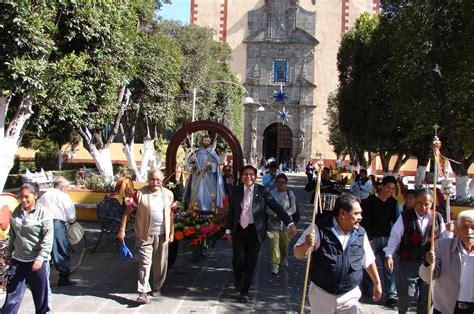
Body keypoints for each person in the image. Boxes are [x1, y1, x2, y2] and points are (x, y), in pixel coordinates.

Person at [294, 193, 382, 313]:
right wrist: (306, 245)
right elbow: (297, 254)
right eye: (356, 213)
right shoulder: (318, 229)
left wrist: (377, 283)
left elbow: (369, 260)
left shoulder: (361, 234)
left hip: (349, 295)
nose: (360, 217)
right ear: (342, 213)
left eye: (360, 213)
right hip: (322, 295)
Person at [225, 165, 297, 303]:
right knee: (238, 260)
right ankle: (238, 277)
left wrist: (289, 223)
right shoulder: (236, 191)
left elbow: (277, 207)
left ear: (255, 176)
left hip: (255, 232)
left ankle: (245, 291)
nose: (248, 177)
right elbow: (232, 212)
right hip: (239, 230)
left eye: (251, 174)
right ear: (242, 176)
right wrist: (228, 231)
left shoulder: (262, 191)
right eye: (245, 174)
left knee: (251, 262)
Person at [383, 189, 454, 314]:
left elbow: (444, 240)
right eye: (420, 203)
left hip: (429, 263)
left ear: (432, 204)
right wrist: (389, 254)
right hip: (409, 262)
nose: (423, 207)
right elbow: (395, 236)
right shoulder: (405, 216)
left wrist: (449, 231)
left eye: (427, 204)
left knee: (427, 298)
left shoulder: (437, 217)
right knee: (407, 295)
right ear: (416, 201)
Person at [117, 169, 175, 304]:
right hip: (145, 234)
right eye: (152, 179)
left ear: (162, 181)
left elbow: (171, 214)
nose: (155, 182)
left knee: (161, 263)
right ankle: (143, 291)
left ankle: (156, 287)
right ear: (148, 179)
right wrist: (122, 230)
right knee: (145, 262)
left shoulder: (168, 194)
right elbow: (126, 212)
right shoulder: (139, 194)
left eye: (158, 180)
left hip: (162, 234)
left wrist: (171, 232)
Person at [2, 183, 53, 313]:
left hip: (37, 261)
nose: (23, 200)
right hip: (18, 260)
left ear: (35, 196)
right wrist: (8, 253)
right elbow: (13, 234)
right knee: (12, 295)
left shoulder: (44, 213)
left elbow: (48, 239)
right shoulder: (17, 211)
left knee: (41, 298)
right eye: (21, 197)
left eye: (27, 196)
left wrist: (40, 258)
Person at [419, 210, 474, 314]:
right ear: (458, 228)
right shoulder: (443, 246)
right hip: (446, 308)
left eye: (473, 228)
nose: (469, 232)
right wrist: (427, 262)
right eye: (465, 227)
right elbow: (426, 277)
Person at [360, 175, 398, 307]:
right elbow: (365, 221)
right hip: (372, 239)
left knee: (389, 267)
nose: (390, 191)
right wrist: (367, 237)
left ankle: (391, 294)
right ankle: (367, 288)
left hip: (387, 239)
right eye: (388, 187)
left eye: (393, 189)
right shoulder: (370, 201)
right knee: (368, 265)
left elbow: (395, 221)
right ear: (382, 186)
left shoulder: (393, 203)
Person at [37, 177, 77, 287]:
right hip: (57, 224)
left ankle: (41, 276)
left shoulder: (44, 195)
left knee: (45, 249)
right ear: (62, 187)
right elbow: (71, 214)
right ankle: (63, 277)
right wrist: (72, 223)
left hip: (43, 224)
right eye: (67, 187)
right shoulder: (63, 196)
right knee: (60, 250)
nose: (68, 189)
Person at [183, 135, 225, 212]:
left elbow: (217, 164)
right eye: (204, 140)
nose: (206, 142)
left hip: (208, 178)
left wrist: (209, 165)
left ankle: (208, 210)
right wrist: (195, 166)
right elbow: (190, 163)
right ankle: (195, 211)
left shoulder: (212, 153)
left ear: (210, 142)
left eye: (208, 141)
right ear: (202, 141)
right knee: (196, 193)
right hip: (197, 177)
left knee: (207, 195)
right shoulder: (197, 152)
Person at [267, 173, 297, 275]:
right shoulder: (271, 193)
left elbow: (293, 208)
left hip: (286, 225)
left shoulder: (290, 193)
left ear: (286, 183)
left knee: (284, 245)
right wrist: (275, 215)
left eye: (283, 182)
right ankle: (275, 265)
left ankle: (284, 258)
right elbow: (267, 208)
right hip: (273, 224)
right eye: (279, 182)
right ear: (276, 183)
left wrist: (284, 215)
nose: (281, 184)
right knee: (274, 245)